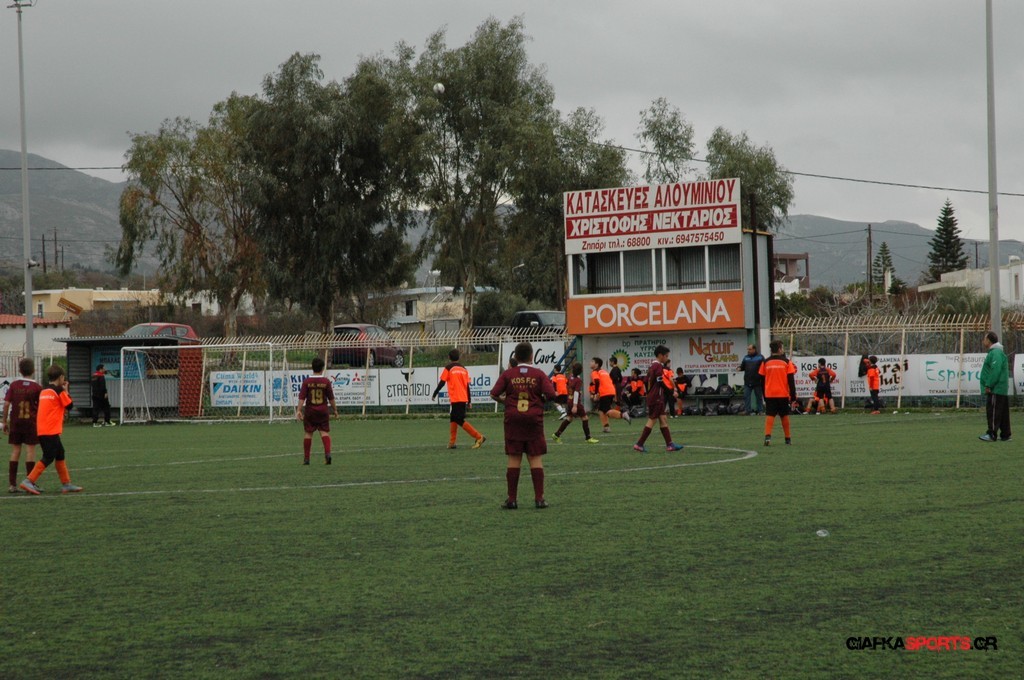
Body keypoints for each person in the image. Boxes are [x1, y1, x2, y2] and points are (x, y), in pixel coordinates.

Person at [490, 342, 557, 509]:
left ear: (515, 357)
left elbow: (494, 393)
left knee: (514, 457)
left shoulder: (508, 374)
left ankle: (512, 500)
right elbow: (551, 394)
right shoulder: (539, 374)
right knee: (535, 457)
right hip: (533, 419)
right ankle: (539, 499)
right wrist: (540, 401)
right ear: (532, 356)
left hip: (513, 419)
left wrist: (505, 401)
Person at [19, 364, 82, 494]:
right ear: (61, 377)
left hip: (43, 429)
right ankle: (29, 480)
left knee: (60, 454)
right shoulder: (58, 390)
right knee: (48, 457)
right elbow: (69, 405)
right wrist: (66, 390)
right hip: (50, 429)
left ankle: (66, 483)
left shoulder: (44, 390)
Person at [632, 345, 685, 453]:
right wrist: (671, 392)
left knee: (663, 419)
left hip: (654, 396)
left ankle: (670, 444)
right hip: (656, 397)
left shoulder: (652, 366)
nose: (667, 358)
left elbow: (646, 381)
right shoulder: (658, 366)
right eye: (666, 356)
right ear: (660, 355)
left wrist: (650, 392)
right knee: (652, 419)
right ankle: (639, 444)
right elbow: (660, 382)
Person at [432, 349, 485, 450]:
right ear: (459, 357)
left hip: (456, 398)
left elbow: (442, 382)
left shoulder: (448, 368)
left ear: (449, 357)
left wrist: (435, 393)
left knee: (459, 420)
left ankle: (479, 437)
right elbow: (467, 386)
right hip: (463, 398)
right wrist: (469, 400)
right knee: (453, 418)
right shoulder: (464, 369)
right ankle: (452, 443)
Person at [3, 358, 41, 493]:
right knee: (30, 451)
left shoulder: (14, 385)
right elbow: (41, 407)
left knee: (15, 451)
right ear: (33, 370)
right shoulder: (37, 387)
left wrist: (4, 421)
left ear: (19, 370)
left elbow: (6, 404)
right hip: (31, 422)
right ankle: (30, 483)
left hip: (16, 422)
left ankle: (12, 485)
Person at [296, 357, 339, 465]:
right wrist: (335, 410)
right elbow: (331, 398)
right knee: (324, 432)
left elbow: (302, 398)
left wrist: (299, 410)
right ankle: (328, 454)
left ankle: (306, 459)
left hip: (310, 411)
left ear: (312, 368)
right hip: (323, 411)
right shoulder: (326, 381)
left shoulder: (307, 382)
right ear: (322, 368)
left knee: (308, 433)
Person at [759, 340, 797, 446]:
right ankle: (787, 438)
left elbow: (762, 380)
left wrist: (764, 395)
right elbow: (791, 381)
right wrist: (793, 397)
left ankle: (767, 437)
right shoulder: (786, 362)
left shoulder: (765, 362)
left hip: (770, 394)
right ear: (780, 349)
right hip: (783, 394)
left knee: (770, 415)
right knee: (784, 415)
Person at [551, 362, 599, 444]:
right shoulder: (578, 380)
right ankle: (588, 438)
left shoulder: (570, 378)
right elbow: (576, 392)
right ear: (580, 371)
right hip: (575, 402)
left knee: (569, 418)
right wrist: (575, 405)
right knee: (585, 418)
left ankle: (556, 435)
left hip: (569, 400)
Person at [979, 331, 1011, 442]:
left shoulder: (995, 353)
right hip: (1001, 388)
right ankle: (1006, 434)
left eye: (984, 339)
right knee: (1003, 413)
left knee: (993, 412)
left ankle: (991, 434)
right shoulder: (997, 352)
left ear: (989, 340)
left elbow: (995, 370)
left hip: (996, 388)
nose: (983, 341)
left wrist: (988, 384)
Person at [590, 357, 630, 433]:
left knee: (607, 410)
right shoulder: (604, 372)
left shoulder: (595, 372)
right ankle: (606, 427)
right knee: (601, 410)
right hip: (611, 391)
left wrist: (596, 393)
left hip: (604, 393)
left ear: (596, 364)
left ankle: (623, 415)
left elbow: (597, 381)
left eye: (592, 361)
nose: (590, 363)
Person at [737, 344, 765, 415]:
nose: (748, 351)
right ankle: (747, 410)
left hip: (757, 381)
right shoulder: (746, 357)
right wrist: (739, 368)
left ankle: (760, 411)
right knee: (746, 396)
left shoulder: (760, 357)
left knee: (759, 397)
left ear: (754, 349)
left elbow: (764, 367)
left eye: (749, 349)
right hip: (747, 381)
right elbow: (742, 367)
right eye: (748, 349)